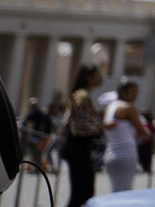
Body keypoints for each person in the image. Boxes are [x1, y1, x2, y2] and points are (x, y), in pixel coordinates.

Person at [62, 63, 104, 207]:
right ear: (89, 77)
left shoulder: (78, 95)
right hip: (80, 148)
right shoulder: (82, 96)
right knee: (82, 193)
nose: (101, 77)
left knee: (82, 192)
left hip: (77, 148)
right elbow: (81, 125)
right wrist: (100, 127)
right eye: (98, 74)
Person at [103, 79, 150, 192]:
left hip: (111, 152)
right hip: (125, 153)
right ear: (123, 92)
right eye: (133, 92)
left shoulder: (110, 106)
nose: (136, 96)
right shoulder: (128, 107)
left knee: (116, 191)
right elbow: (143, 132)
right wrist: (147, 132)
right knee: (124, 193)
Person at [21, 97, 52, 168]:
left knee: (33, 152)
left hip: (32, 136)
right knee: (36, 152)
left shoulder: (32, 113)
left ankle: (37, 166)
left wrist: (29, 135)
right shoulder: (39, 113)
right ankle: (36, 167)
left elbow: (30, 124)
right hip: (37, 136)